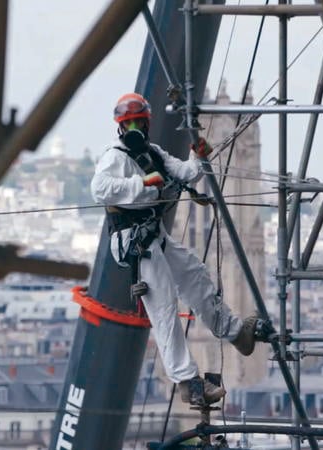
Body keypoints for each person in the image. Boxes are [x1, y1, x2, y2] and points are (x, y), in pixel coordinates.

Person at [90, 92, 258, 405]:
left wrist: (199, 157)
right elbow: (99, 189)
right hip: (136, 244)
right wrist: (142, 184)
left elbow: (184, 173)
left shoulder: (153, 152)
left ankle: (236, 333)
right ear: (121, 127)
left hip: (155, 236)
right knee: (165, 310)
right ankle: (188, 383)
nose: (136, 127)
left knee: (195, 274)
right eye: (130, 123)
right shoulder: (115, 156)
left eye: (140, 121)